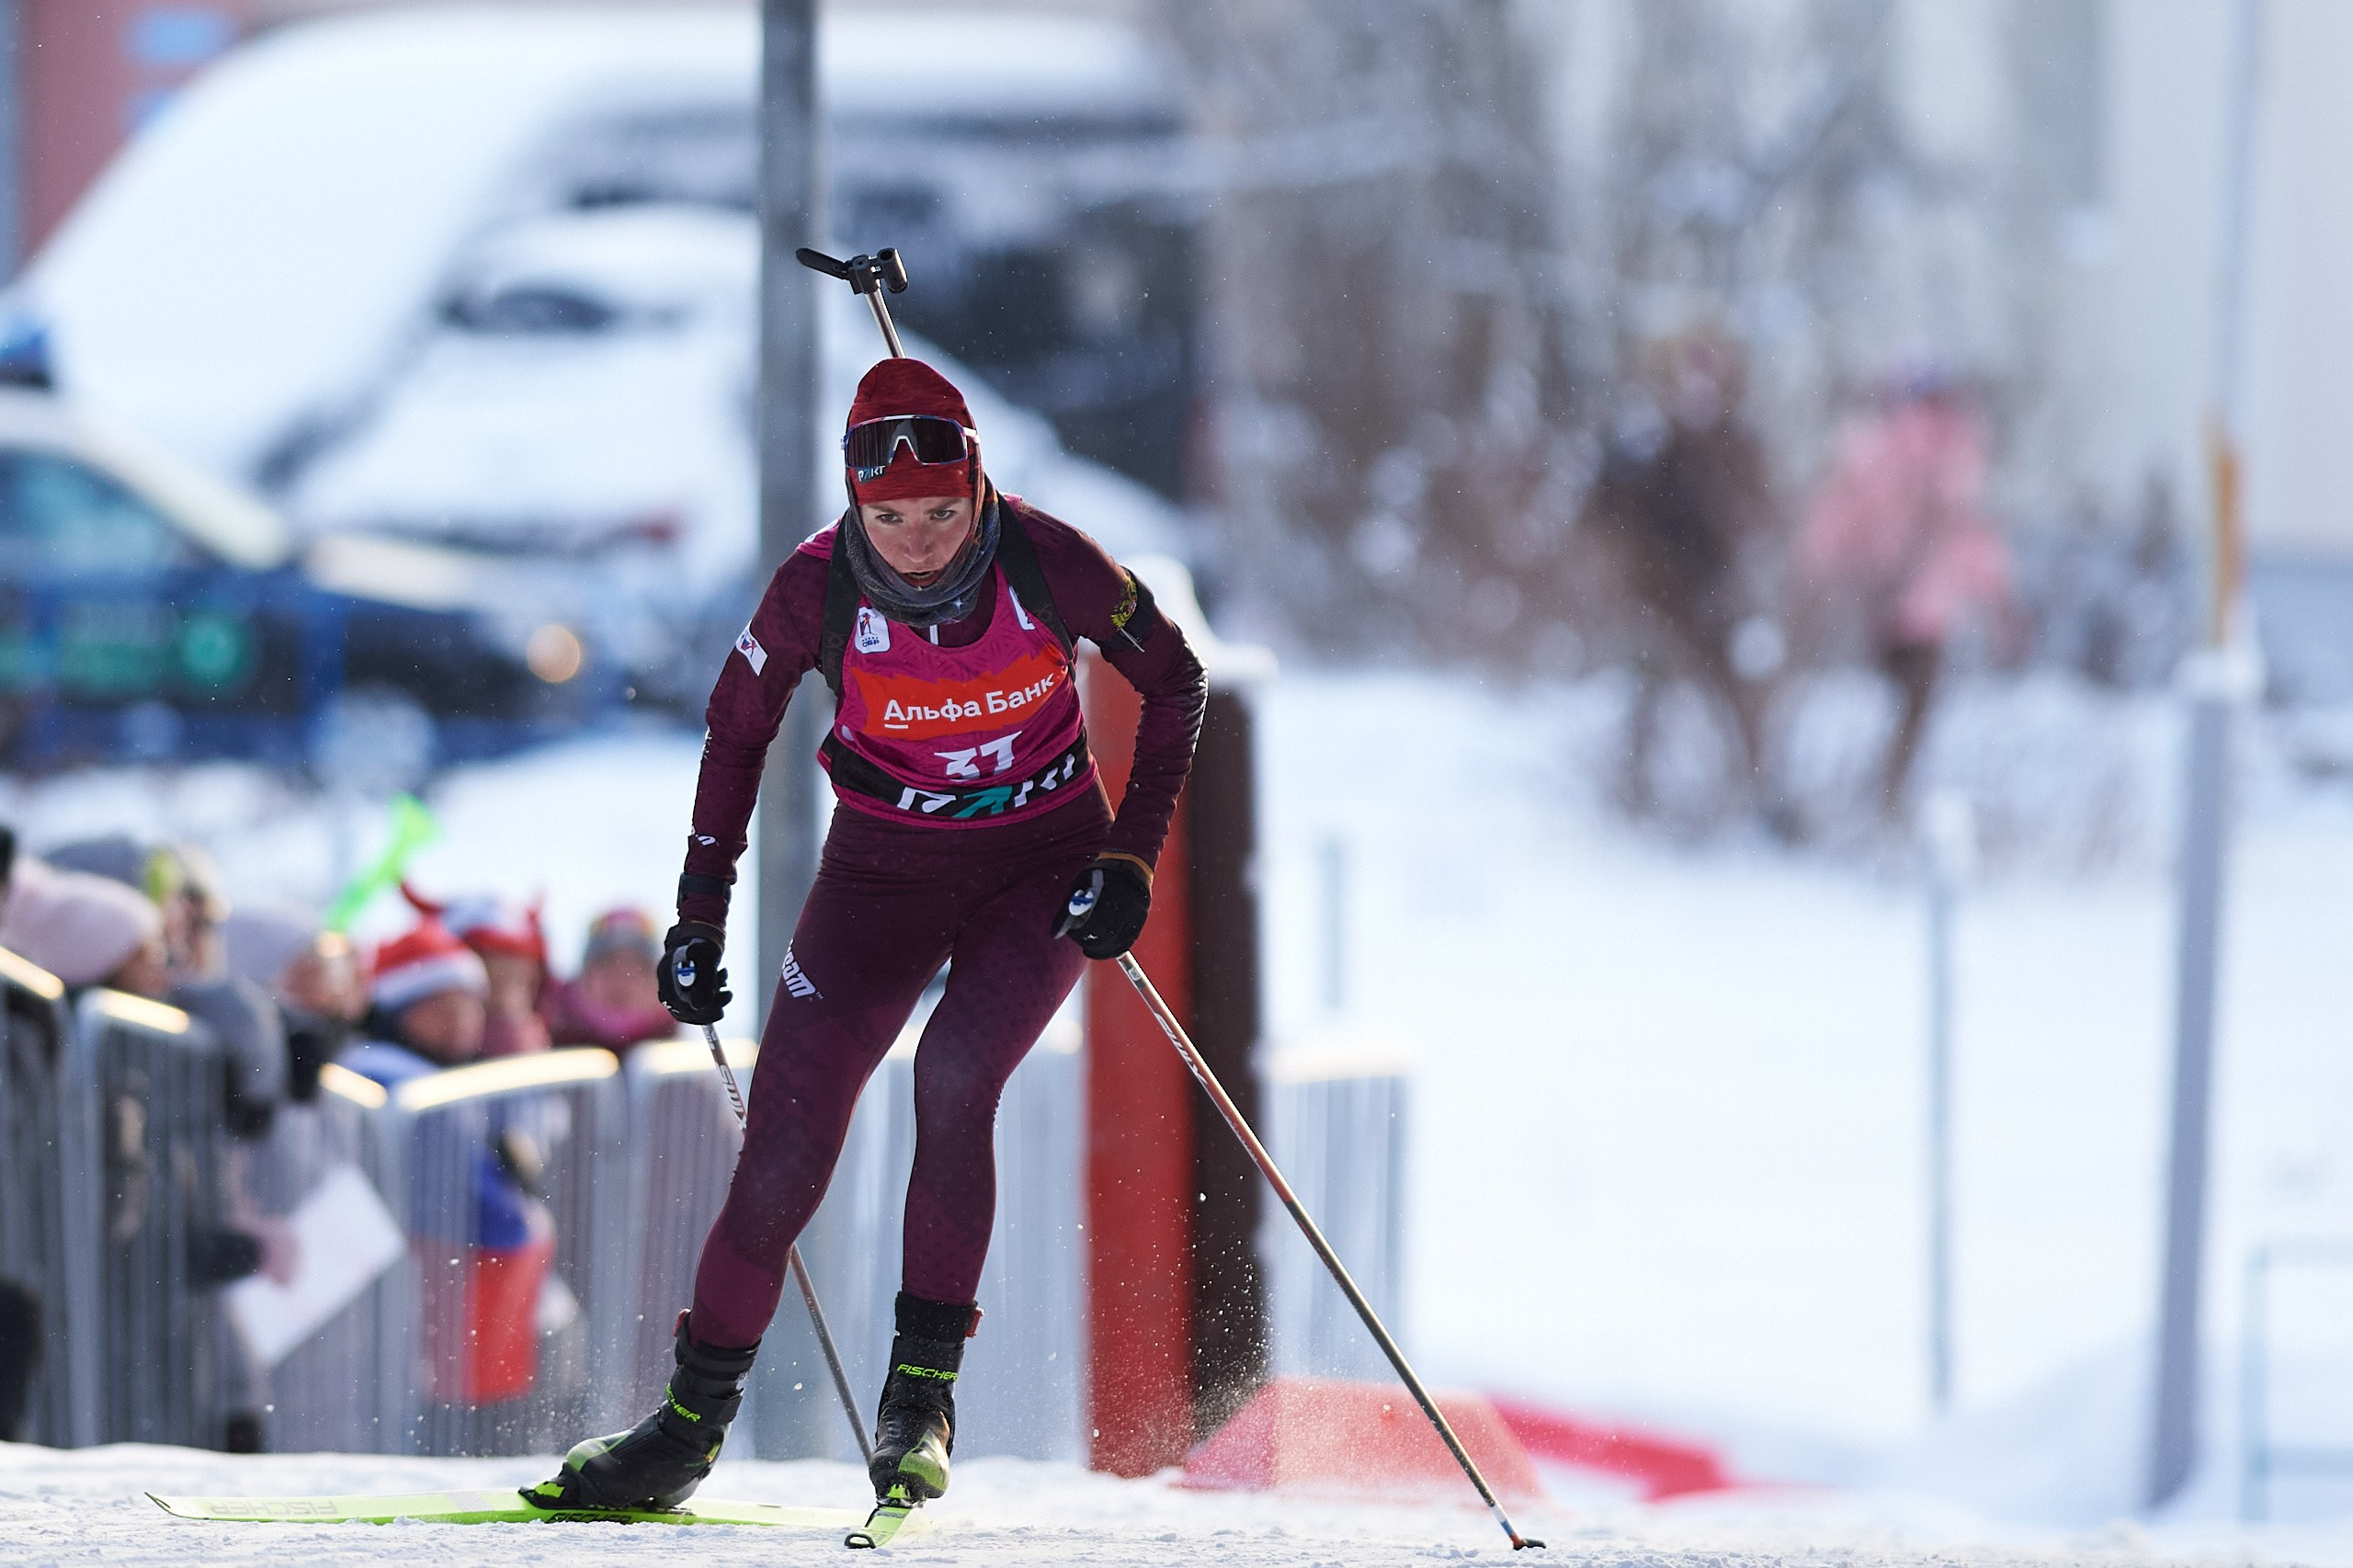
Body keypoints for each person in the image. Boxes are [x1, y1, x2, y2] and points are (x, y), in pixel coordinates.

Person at [533, 357, 1205, 1515]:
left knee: (954, 1075)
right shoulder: (813, 587)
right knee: (785, 1151)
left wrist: (1127, 856)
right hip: (878, 876)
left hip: (1038, 870)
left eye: (943, 511)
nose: (919, 540)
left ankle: (919, 1402)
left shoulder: (1051, 561)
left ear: (979, 484)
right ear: (855, 502)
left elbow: (1176, 680)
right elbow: (733, 734)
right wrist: (698, 913)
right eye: (888, 516)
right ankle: (684, 1433)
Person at [1801, 364, 2014, 819]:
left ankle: (1874, 789)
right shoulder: (1958, 456)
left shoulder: (1872, 450)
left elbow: (1837, 524)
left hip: (1880, 597)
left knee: (1884, 699)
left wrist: (1821, 573)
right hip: (1924, 603)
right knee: (1912, 701)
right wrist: (1998, 600)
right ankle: (1885, 790)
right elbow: (1973, 540)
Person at [540, 908, 674, 1053]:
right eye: (608, 963)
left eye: (639, 968)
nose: (622, 979)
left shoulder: (687, 1053)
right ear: (585, 976)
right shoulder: (544, 1035)